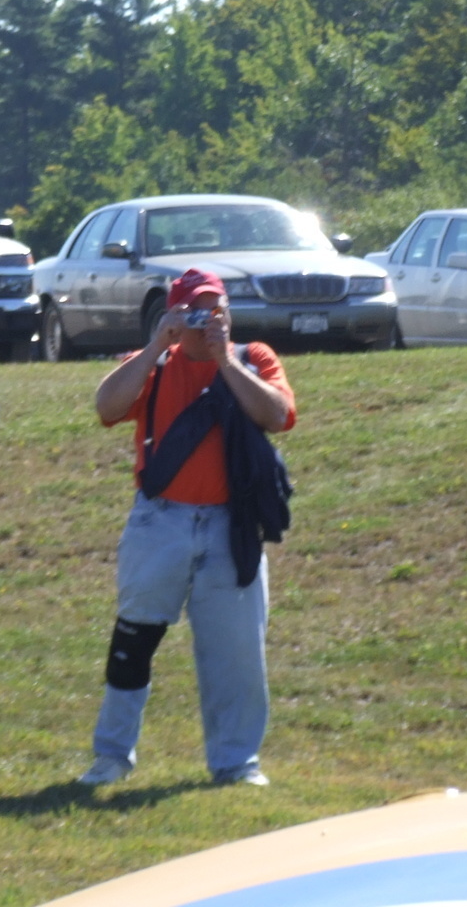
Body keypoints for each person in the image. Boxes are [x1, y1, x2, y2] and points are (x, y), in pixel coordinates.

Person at [75, 268, 296, 788]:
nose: (206, 322)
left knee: (237, 654)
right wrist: (156, 345)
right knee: (134, 641)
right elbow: (106, 407)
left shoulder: (253, 359)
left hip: (230, 526)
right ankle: (111, 756)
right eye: (194, 312)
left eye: (215, 310)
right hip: (161, 520)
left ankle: (236, 764)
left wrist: (224, 361)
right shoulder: (152, 365)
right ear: (173, 316)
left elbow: (278, 414)